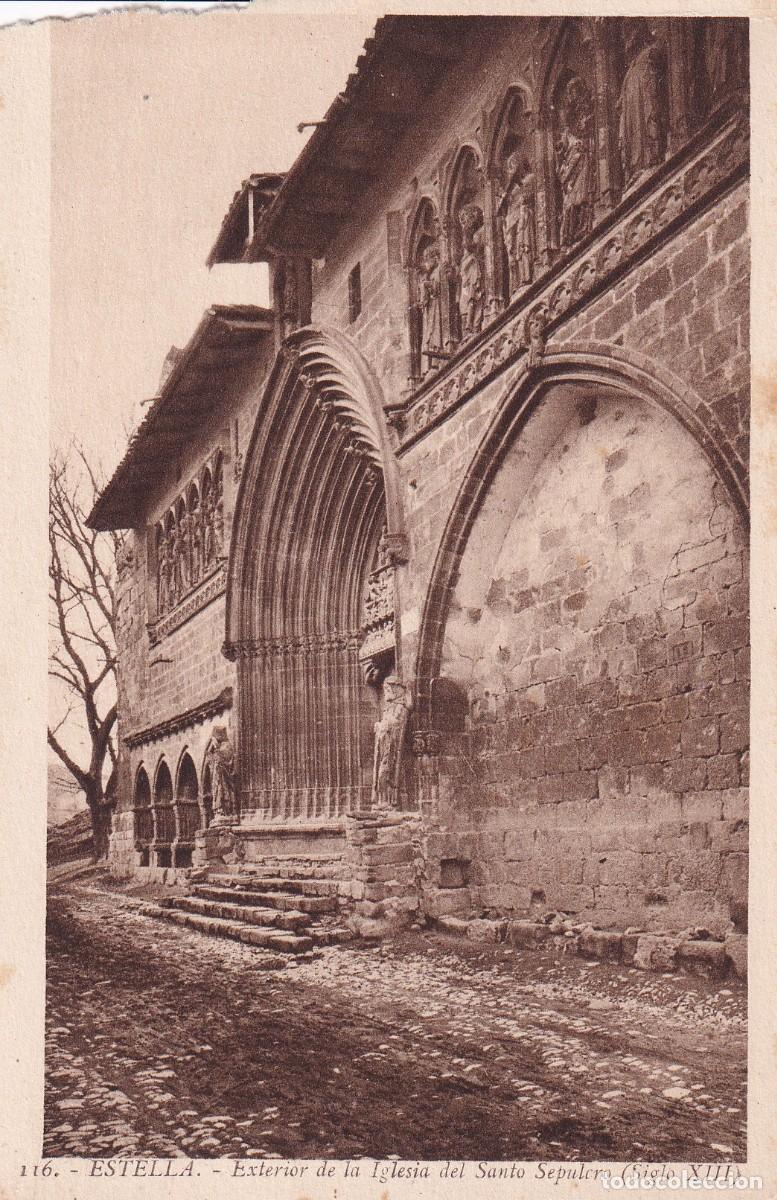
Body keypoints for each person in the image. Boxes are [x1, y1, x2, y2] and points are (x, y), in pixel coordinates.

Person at [372, 676, 413, 810]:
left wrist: (383, 725)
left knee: (385, 772)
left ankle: (388, 801)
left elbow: (396, 723)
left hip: (392, 747)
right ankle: (382, 800)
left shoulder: (400, 707)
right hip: (384, 744)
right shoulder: (389, 708)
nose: (386, 693)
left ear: (395, 690)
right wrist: (380, 726)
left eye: (388, 690)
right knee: (381, 772)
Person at [207, 726, 237, 822]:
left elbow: (226, 762)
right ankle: (219, 811)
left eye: (215, 736)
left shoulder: (226, 746)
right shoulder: (220, 747)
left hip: (224, 778)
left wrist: (216, 749)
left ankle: (225, 811)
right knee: (217, 791)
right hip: (218, 777)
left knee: (223, 792)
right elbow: (211, 758)